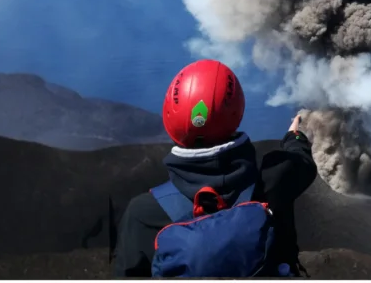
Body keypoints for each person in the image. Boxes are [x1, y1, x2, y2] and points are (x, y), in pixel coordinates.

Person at [111, 59, 318, 277]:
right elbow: (302, 162)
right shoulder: (275, 178)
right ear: (236, 111)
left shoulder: (143, 213)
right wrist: (295, 136)